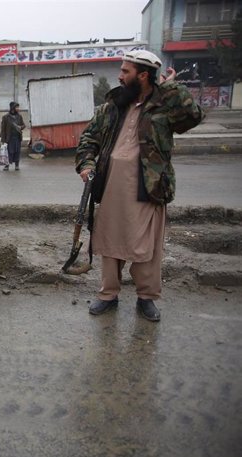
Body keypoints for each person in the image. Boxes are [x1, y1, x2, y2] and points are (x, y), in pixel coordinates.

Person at [75, 50, 203, 322]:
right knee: (109, 239)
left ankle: (146, 298)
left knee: (148, 245)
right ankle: (108, 295)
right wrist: (87, 164)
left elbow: (192, 116)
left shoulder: (164, 106)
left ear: (143, 76)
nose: (120, 76)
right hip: (111, 185)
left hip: (150, 184)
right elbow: (88, 137)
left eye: (125, 71)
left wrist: (171, 88)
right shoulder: (112, 106)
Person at [0, 101, 25, 171]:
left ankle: (17, 165)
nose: (18, 108)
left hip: (17, 138)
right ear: (12, 108)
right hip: (9, 138)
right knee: (8, 152)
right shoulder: (5, 117)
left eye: (18, 107)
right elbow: (3, 129)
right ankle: (6, 165)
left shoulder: (19, 116)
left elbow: (23, 125)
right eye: (17, 107)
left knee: (17, 152)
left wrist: (21, 127)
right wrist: (3, 140)